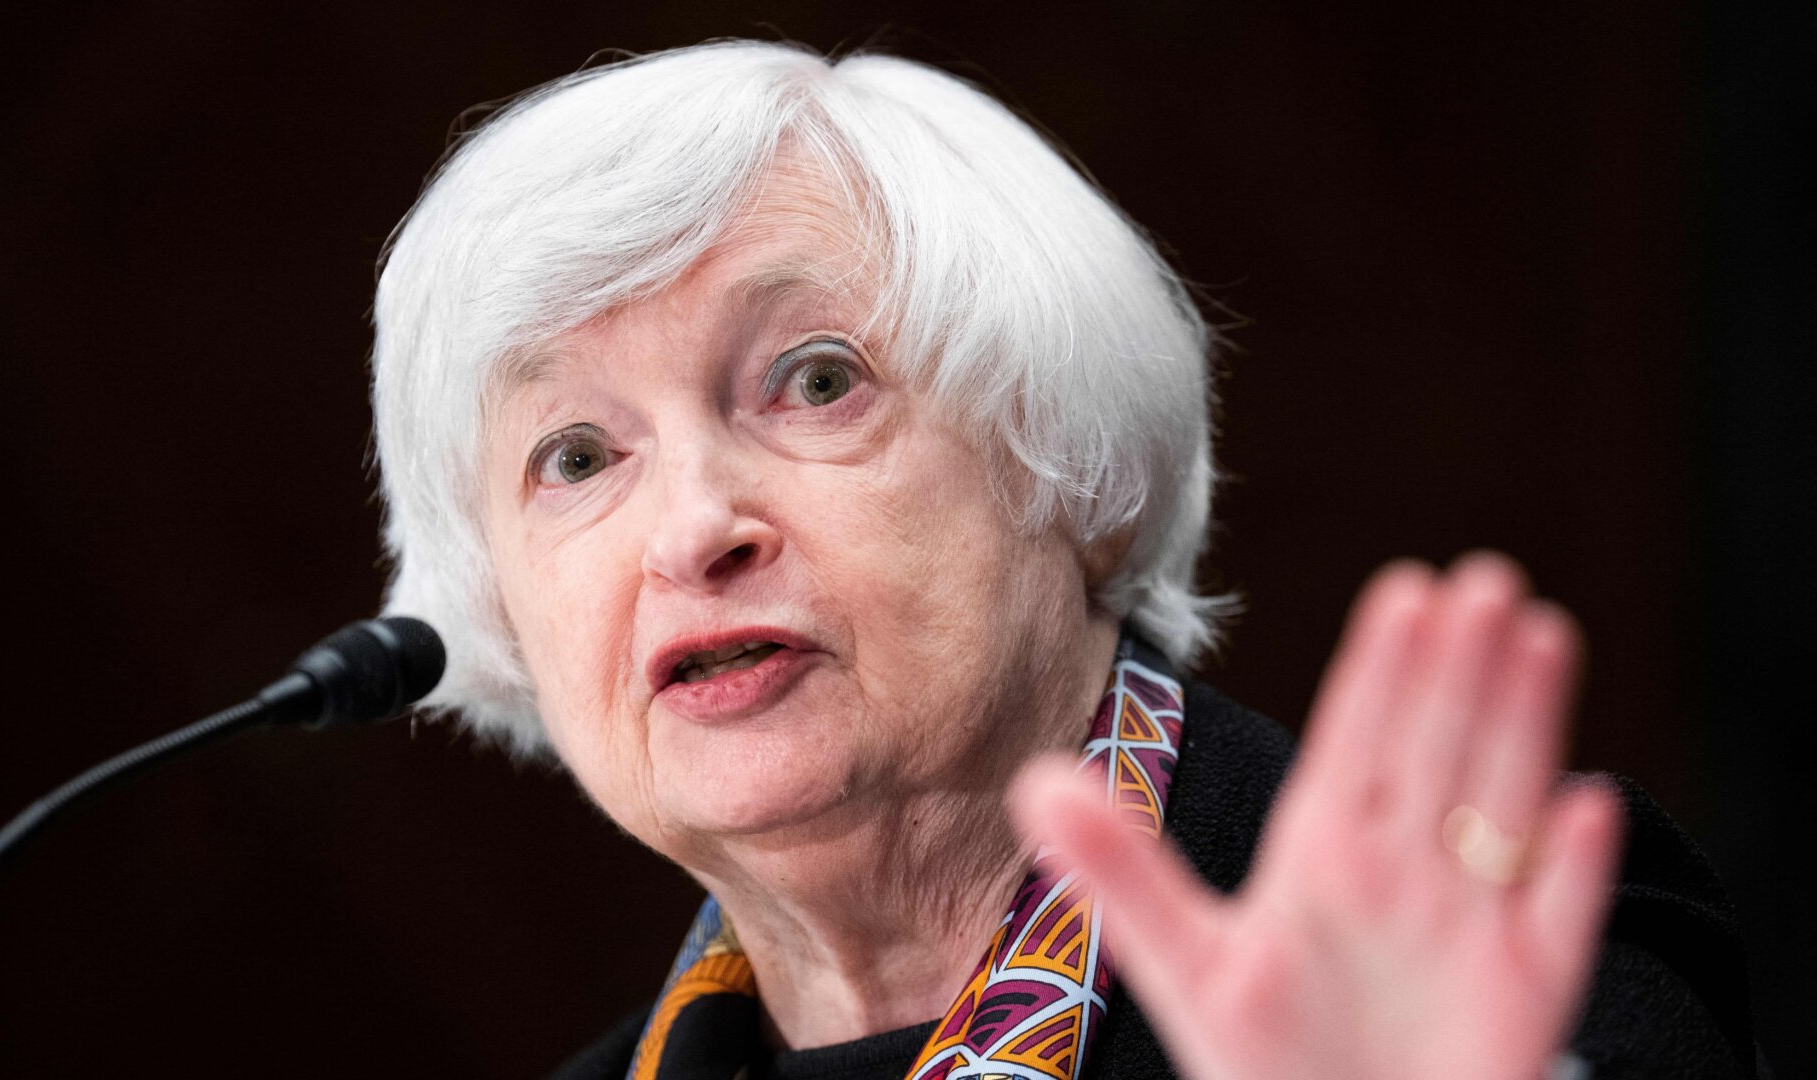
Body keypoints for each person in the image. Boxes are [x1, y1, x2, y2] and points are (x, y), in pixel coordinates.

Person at [368, 40, 1763, 1080]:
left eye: (817, 381)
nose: (691, 529)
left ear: (1070, 467)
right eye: (575, 457)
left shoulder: (1462, 943)